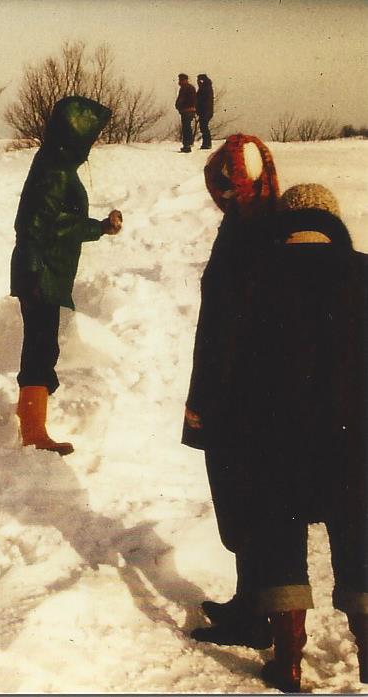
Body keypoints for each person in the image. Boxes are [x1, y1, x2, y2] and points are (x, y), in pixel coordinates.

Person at [234, 184, 367, 692]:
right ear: (333, 222)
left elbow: (236, 363)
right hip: (356, 433)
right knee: (360, 533)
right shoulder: (365, 271)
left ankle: (288, 658)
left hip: (276, 434)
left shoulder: (255, 276)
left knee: (279, 535)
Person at [185, 134, 279, 650]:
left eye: (222, 186)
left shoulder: (256, 234)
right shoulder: (245, 225)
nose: (217, 196)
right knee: (242, 500)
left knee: (249, 501)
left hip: (240, 395)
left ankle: (258, 615)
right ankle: (250, 602)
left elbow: (238, 325)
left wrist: (210, 398)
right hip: (234, 389)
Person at [10, 95, 123, 456]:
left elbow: (64, 224)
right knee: (40, 352)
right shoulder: (54, 171)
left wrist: (101, 228)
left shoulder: (55, 166)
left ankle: (33, 425)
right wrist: (31, 273)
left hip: (45, 273)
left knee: (43, 349)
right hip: (41, 274)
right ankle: (33, 432)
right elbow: (33, 225)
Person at [175, 73, 197, 153]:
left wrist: (179, 106)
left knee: (186, 128)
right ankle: (188, 144)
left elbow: (182, 99)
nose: (179, 81)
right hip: (189, 110)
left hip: (186, 110)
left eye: (180, 79)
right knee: (187, 127)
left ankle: (187, 145)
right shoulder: (190, 87)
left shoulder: (185, 88)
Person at [196, 74, 214, 150]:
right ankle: (206, 143)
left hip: (205, 111)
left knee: (204, 127)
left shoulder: (204, 88)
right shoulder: (207, 87)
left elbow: (201, 99)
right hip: (206, 111)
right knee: (204, 126)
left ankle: (207, 143)